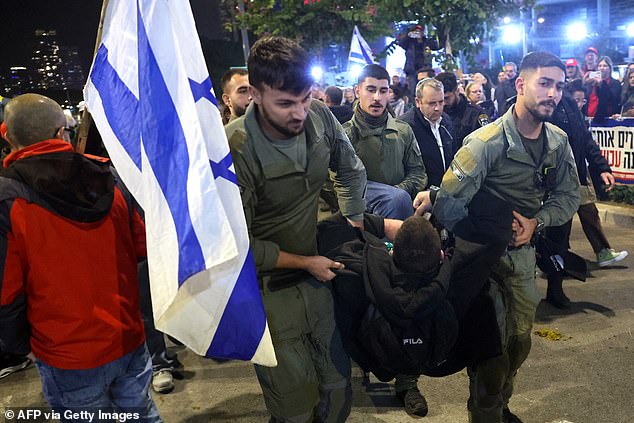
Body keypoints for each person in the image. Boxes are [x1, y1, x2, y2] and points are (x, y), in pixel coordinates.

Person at [413, 51, 580, 423]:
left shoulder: (557, 141)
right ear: (521, 85)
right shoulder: (485, 143)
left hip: (522, 261)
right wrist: (489, 233)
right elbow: (451, 204)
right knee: (492, 351)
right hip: (481, 263)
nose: (552, 93)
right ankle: (486, 411)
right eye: (544, 83)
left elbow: (569, 195)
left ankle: (500, 404)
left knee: (519, 343)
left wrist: (537, 223)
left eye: (559, 86)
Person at [225, 36, 367, 423]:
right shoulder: (236, 147)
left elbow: (351, 169)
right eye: (285, 103)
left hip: (320, 276)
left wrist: (351, 221)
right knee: (294, 406)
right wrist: (304, 262)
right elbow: (235, 246)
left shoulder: (319, 115)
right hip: (269, 291)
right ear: (254, 94)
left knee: (338, 391)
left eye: (304, 99)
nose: (300, 113)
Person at [0, 94, 162, 421]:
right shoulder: (111, 180)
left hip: (65, 353)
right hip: (128, 338)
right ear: (62, 133)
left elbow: (6, 293)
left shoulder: (7, 199)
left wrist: (20, 346)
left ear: (7, 135)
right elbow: (145, 248)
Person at [542, 91, 628, 307]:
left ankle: (555, 288)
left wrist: (601, 167)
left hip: (574, 178)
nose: (554, 91)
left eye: (559, 85)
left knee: (561, 236)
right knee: (552, 236)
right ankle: (550, 282)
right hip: (547, 183)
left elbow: (585, 139)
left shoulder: (570, 106)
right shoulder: (539, 107)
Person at [343, 64, 427, 220]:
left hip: (401, 215)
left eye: (383, 91)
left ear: (389, 93)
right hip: (362, 221)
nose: (377, 97)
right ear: (357, 91)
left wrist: (394, 194)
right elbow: (341, 186)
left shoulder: (403, 131)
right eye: (370, 89)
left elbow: (417, 173)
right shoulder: (345, 136)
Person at [401, 78, 456, 187]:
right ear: (418, 102)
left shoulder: (445, 120)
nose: (438, 108)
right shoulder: (405, 127)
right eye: (431, 103)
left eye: (441, 102)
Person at [436, 72, 489, 148]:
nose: (443, 103)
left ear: (457, 91)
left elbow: (486, 141)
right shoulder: (438, 113)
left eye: (446, 98)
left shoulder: (476, 113)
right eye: (440, 99)